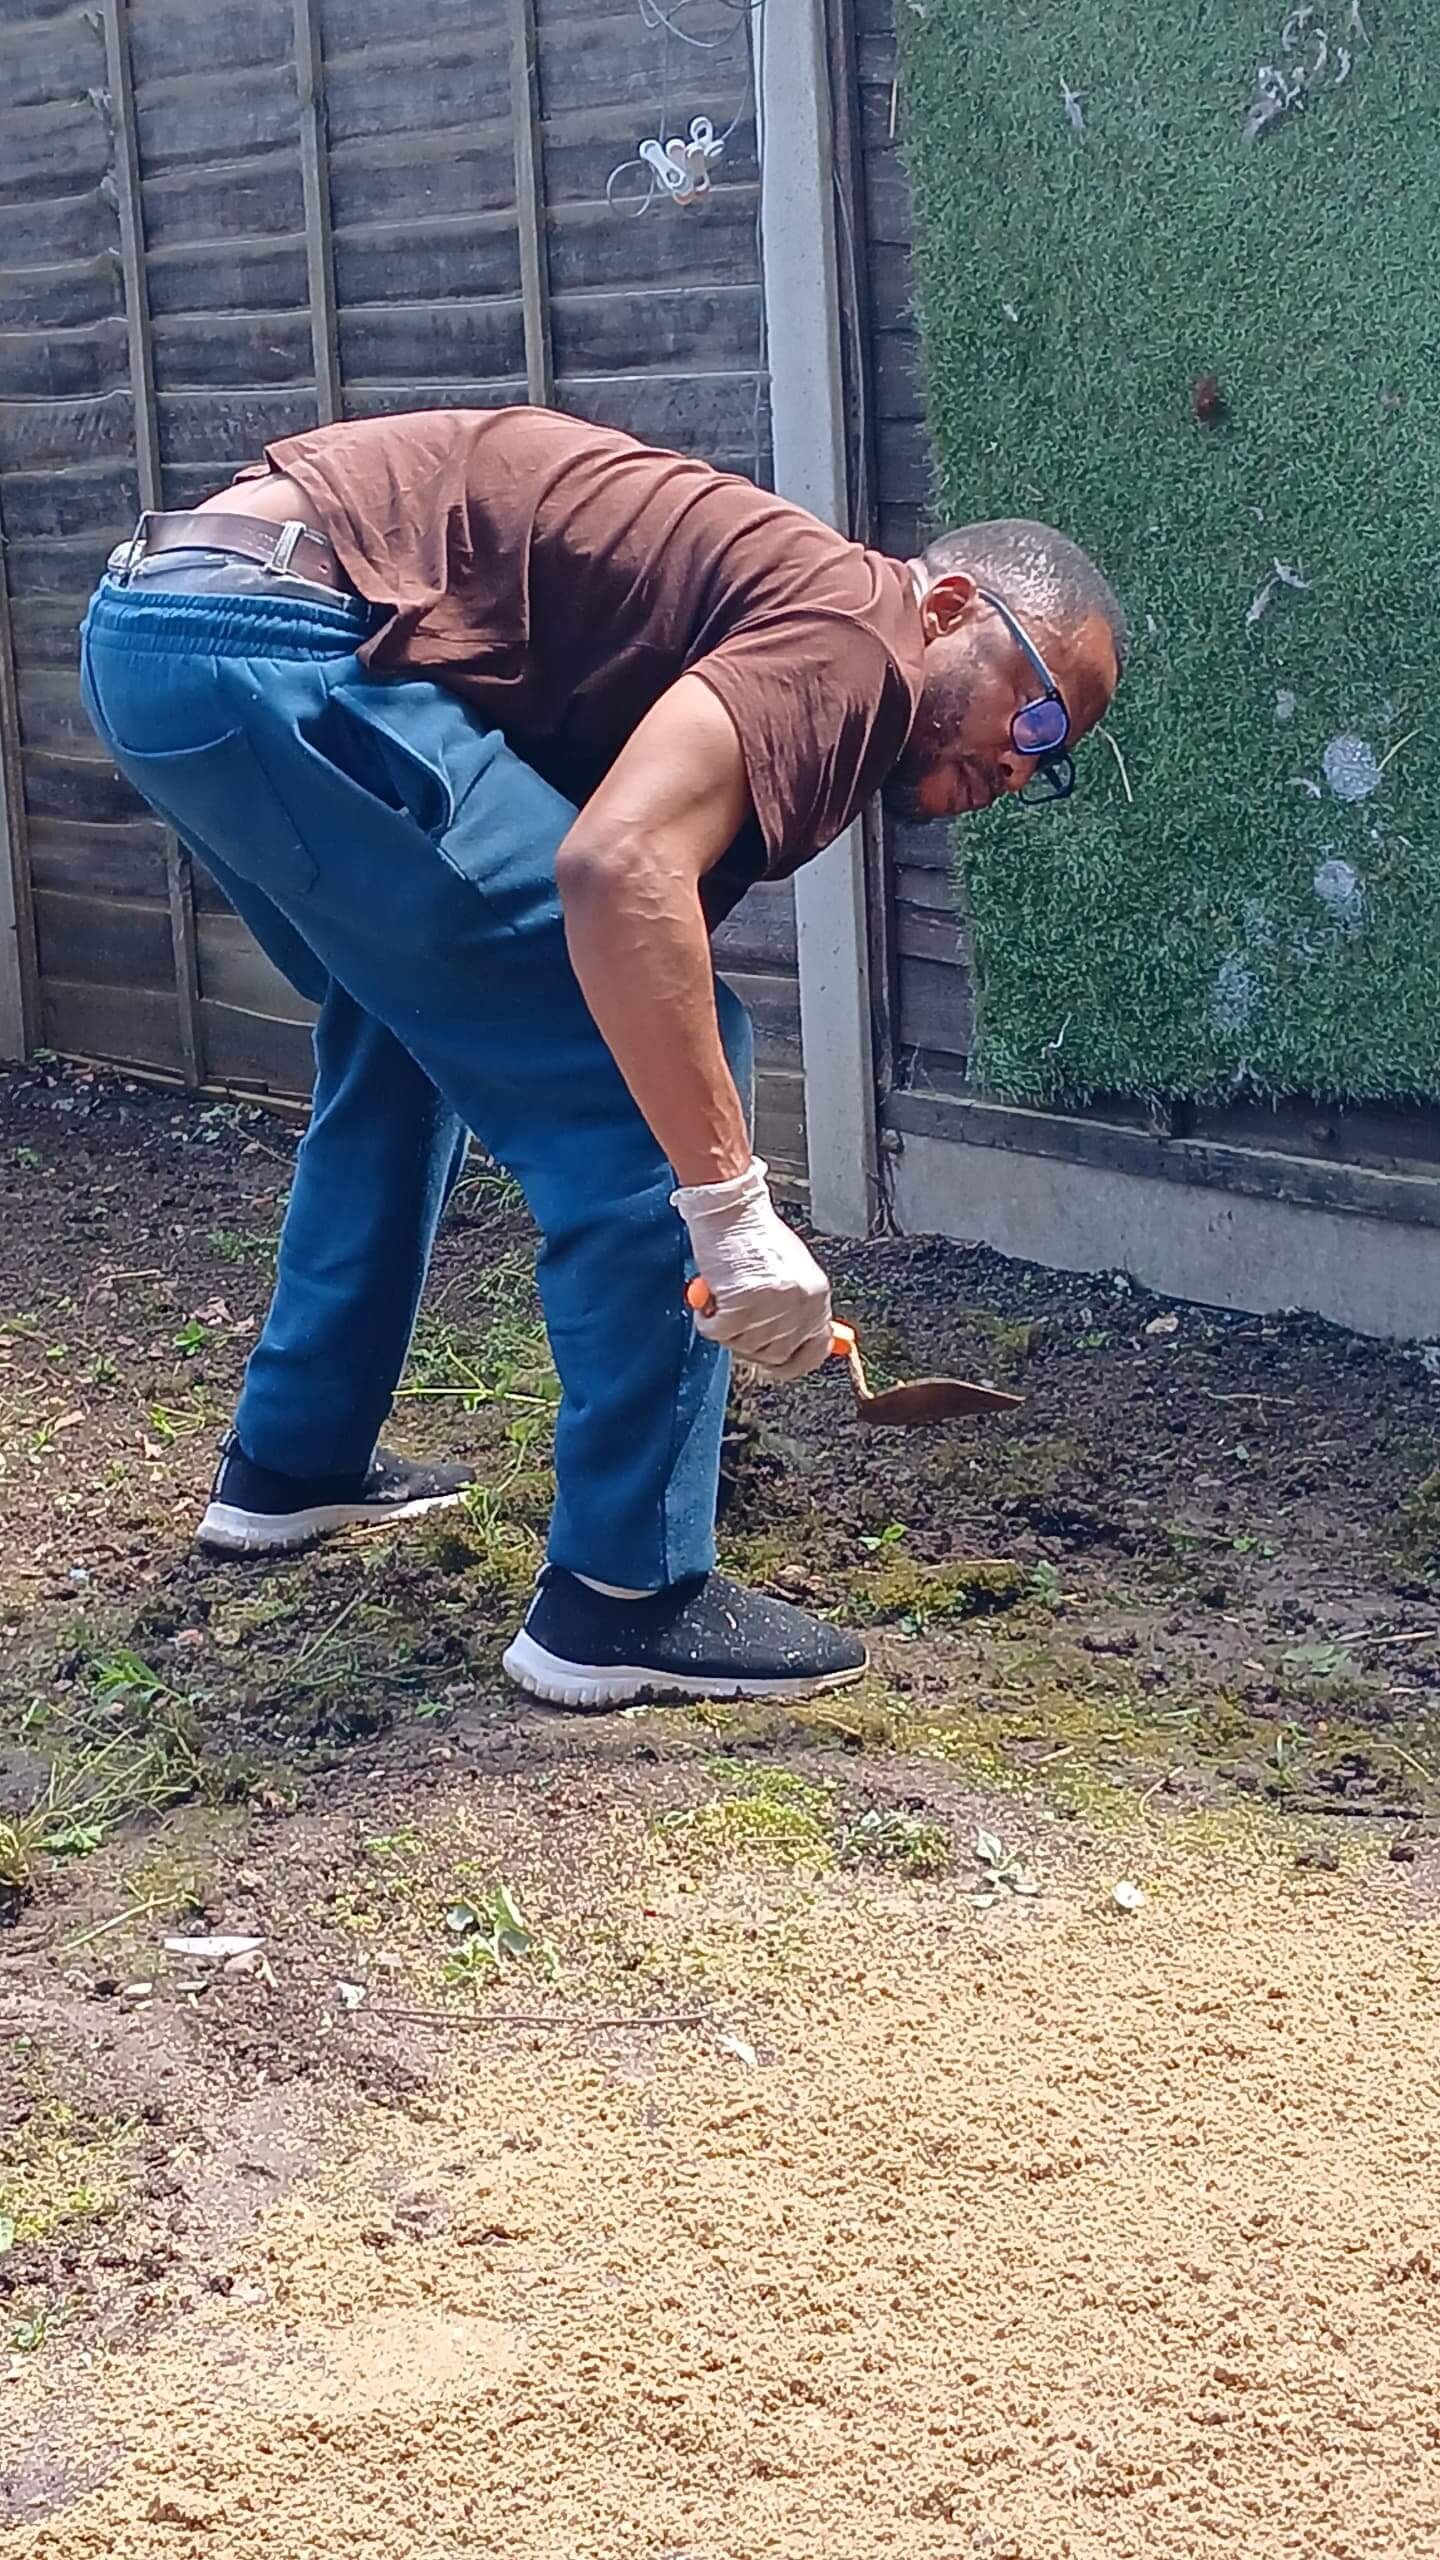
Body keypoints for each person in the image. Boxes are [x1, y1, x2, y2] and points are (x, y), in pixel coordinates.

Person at [80, 406, 1125, 1709]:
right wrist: (732, 1215)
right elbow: (619, 870)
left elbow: (611, 904)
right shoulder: (856, 639)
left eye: (1054, 766)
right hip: (285, 644)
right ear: (954, 604)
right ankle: (627, 1598)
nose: (1022, 772)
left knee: (409, 1030)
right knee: (681, 1079)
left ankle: (293, 1461)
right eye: (1034, 723)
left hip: (166, 627)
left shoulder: (790, 620)